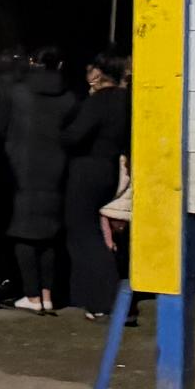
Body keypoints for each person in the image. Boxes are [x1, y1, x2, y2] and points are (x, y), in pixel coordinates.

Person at [2, 46, 75, 314]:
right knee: (48, 235)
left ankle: (31, 295)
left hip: (23, 168)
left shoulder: (20, 93)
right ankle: (47, 294)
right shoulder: (68, 98)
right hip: (56, 168)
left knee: (23, 233)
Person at [63, 54, 132, 318]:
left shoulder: (98, 102)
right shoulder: (126, 99)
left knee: (85, 235)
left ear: (98, 74)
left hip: (87, 169)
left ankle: (104, 300)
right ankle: (102, 298)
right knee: (99, 231)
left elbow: (74, 136)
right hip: (113, 167)